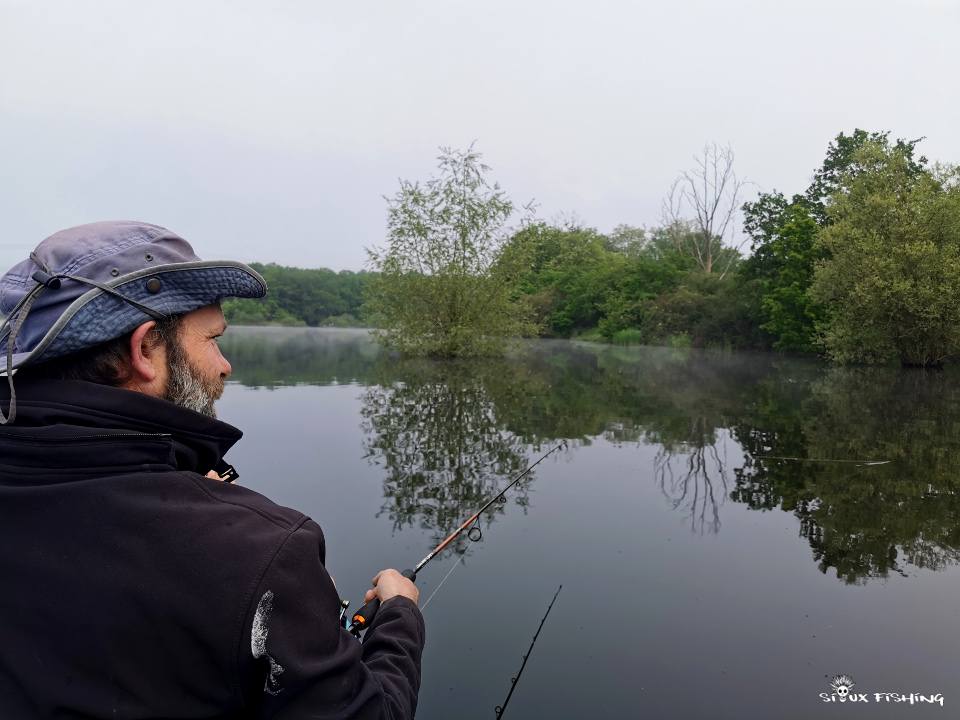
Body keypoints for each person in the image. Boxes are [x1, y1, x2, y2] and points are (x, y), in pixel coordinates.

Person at [0, 221, 425, 718]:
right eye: (213, 339)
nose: (225, 366)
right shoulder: (262, 551)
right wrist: (399, 617)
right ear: (145, 350)